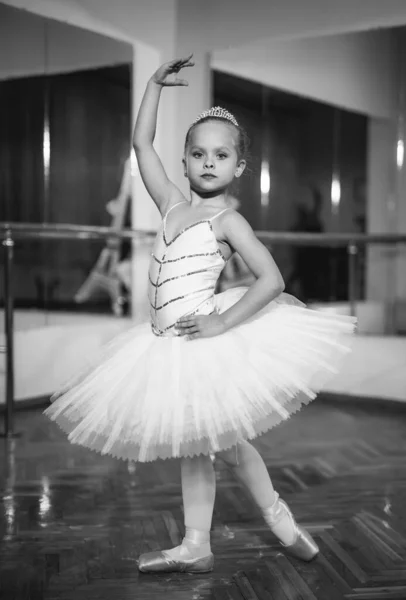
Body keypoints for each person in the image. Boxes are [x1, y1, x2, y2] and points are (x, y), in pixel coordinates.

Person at [44, 55, 356, 575]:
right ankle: (198, 545)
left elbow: (272, 280)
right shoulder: (169, 204)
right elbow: (142, 145)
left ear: (238, 167)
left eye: (221, 155)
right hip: (164, 346)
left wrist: (219, 324)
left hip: (205, 343)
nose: (208, 162)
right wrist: (152, 87)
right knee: (199, 448)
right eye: (197, 153)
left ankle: (277, 520)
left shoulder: (227, 221)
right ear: (185, 162)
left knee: (228, 446)